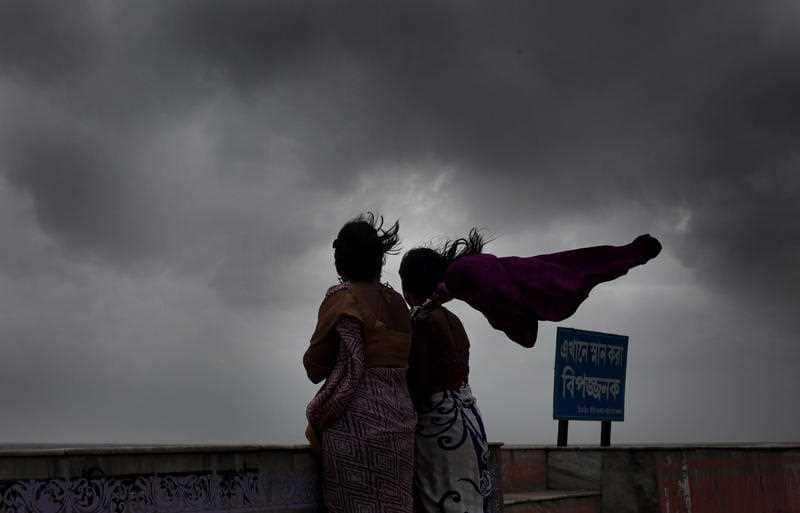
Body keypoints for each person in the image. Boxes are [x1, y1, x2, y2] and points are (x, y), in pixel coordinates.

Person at [304, 213, 416, 513]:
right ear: (379, 260)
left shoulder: (342, 299)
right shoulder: (400, 304)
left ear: (341, 261)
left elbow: (314, 367)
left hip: (354, 427)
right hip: (402, 425)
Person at [399, 230, 494, 513]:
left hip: (440, 425)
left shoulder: (420, 321)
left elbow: (420, 382)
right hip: (469, 420)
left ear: (407, 287)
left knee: (442, 496)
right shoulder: (453, 320)